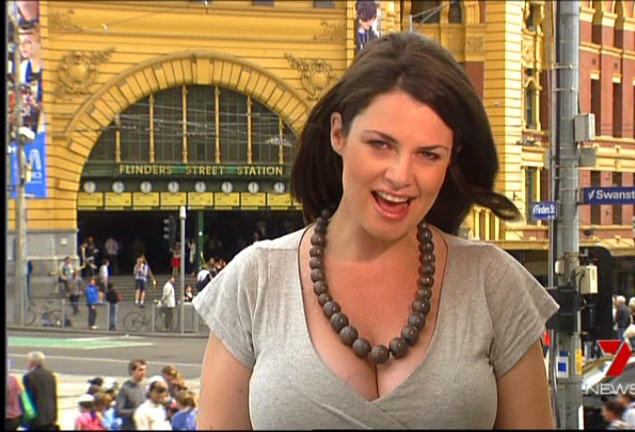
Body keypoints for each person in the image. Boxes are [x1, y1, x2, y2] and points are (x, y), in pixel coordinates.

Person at [193, 31, 559, 429]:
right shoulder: (255, 280)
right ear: (338, 133)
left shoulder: (494, 283)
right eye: (381, 145)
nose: (400, 175)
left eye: (428, 154)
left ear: (450, 159)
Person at [22, 351, 58, 430]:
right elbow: (53, 396)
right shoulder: (50, 375)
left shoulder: (29, 377)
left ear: (32, 362)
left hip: (36, 418)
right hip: (50, 416)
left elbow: (29, 399)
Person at [114, 359, 147, 430]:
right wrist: (136, 412)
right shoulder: (125, 389)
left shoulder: (144, 387)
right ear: (132, 371)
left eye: (145, 370)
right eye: (140, 370)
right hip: (130, 427)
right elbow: (118, 411)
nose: (143, 373)